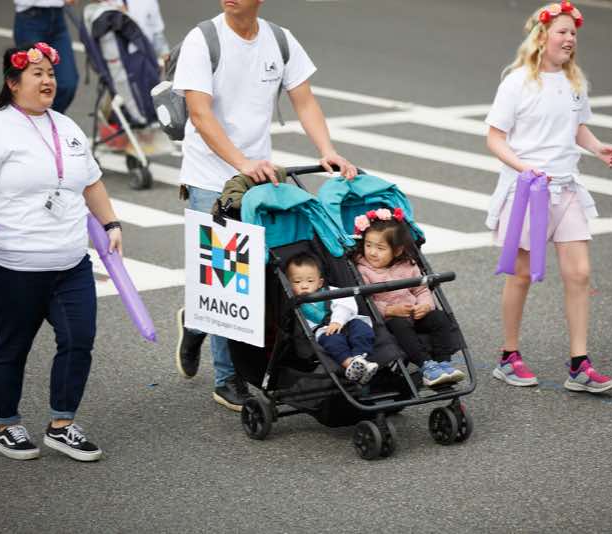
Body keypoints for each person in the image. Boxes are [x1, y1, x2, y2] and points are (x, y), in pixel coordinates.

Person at [172, 0, 357, 411]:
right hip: (210, 178)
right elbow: (199, 114)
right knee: (227, 280)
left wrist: (326, 150)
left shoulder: (279, 40)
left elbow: (304, 100)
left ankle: (196, 321)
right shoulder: (203, 40)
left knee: (253, 276)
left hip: (257, 176)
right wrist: (242, 163)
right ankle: (227, 379)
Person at [0, 43, 123, 461]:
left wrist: (111, 224)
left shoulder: (67, 126)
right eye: (37, 74)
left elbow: (91, 182)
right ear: (13, 83)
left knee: (79, 340)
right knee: (12, 347)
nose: (48, 81)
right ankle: (6, 425)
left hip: (71, 263)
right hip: (14, 265)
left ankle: (61, 425)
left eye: (51, 73)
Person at [485, 2, 612, 394]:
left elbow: (577, 128)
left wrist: (598, 148)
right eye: (562, 31)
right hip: (527, 190)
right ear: (541, 36)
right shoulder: (516, 83)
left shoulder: (574, 82)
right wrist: (524, 168)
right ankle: (508, 356)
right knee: (521, 274)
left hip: (567, 187)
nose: (569, 39)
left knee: (579, 273)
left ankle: (580, 364)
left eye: (573, 33)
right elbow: (495, 137)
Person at [354, 208, 464, 387]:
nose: (372, 252)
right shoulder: (363, 270)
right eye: (368, 245)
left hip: (414, 314)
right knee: (399, 324)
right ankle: (426, 365)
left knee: (440, 318)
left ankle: (444, 363)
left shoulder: (407, 265)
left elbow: (421, 291)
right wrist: (389, 310)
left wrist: (425, 306)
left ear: (397, 251)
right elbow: (366, 302)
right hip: (388, 321)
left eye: (380, 248)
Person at [286, 252, 378, 384]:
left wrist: (337, 320)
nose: (304, 285)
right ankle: (349, 364)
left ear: (320, 283)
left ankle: (360, 358)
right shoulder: (295, 304)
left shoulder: (331, 291)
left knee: (362, 329)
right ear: (289, 284)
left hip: (347, 322)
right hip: (324, 330)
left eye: (310, 281)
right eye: (297, 281)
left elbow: (345, 305)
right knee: (333, 341)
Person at [13, 0, 79, 113]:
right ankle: (32, 119)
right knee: (34, 85)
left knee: (67, 84)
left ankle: (49, 119)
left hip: (58, 18)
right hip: (30, 19)